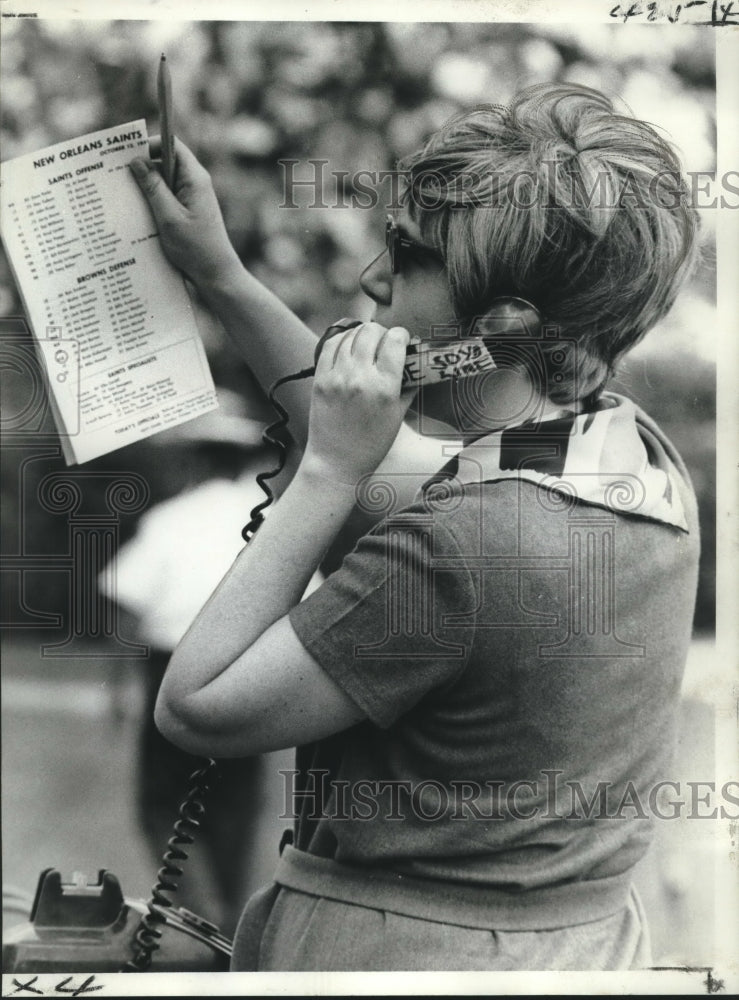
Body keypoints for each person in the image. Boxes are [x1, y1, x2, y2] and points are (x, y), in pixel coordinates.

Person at [127, 83, 701, 971]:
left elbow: (196, 708)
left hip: (399, 959)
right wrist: (220, 275)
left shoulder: (462, 549)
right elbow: (395, 469)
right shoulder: (624, 458)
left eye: (406, 253)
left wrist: (325, 472)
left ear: (500, 331)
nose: (371, 279)